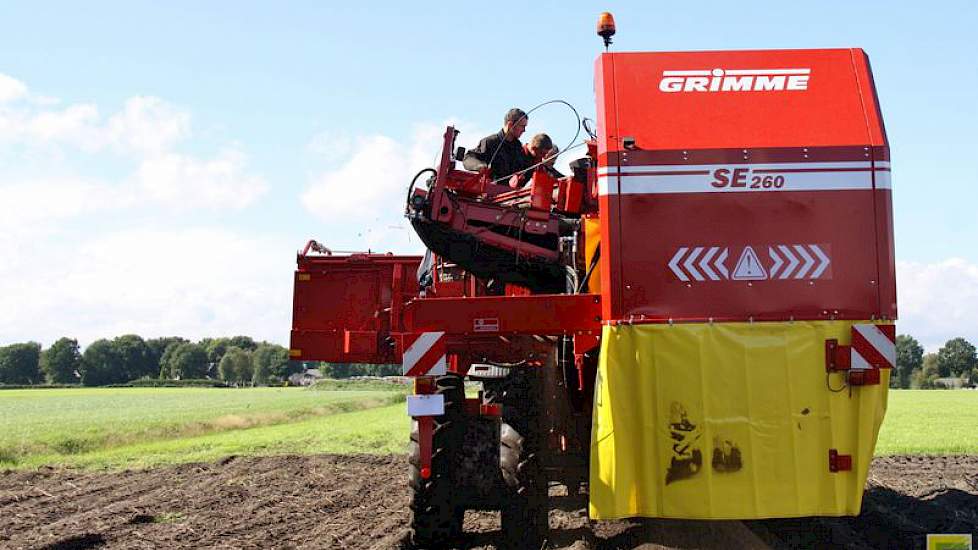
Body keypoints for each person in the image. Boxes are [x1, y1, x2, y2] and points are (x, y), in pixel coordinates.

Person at [463, 108, 534, 183]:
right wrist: (480, 166)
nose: (524, 130)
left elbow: (524, 173)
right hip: (489, 192)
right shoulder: (490, 142)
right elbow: (468, 159)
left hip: (511, 193)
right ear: (510, 125)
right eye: (522, 126)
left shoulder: (518, 148)